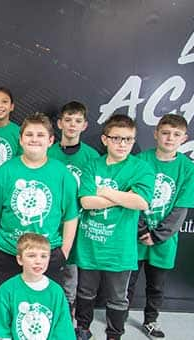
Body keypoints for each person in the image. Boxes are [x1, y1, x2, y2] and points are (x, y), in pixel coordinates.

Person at [0, 113, 79, 331]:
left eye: (40, 135)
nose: (34, 139)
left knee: (42, 309)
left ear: (51, 141)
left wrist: (65, 250)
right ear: (20, 139)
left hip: (46, 255)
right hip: (6, 252)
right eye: (29, 134)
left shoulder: (61, 174)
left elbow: (71, 215)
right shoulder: (6, 171)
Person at [72, 114, 154, 340]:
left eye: (128, 139)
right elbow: (86, 201)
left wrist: (105, 192)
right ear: (105, 139)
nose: (122, 144)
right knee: (85, 291)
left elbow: (141, 201)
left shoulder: (141, 168)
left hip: (120, 247)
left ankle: (114, 334)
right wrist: (123, 196)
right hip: (90, 243)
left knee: (118, 297)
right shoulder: (92, 165)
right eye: (116, 138)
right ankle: (83, 329)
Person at [126, 114, 194, 339]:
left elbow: (181, 208)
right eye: (165, 133)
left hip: (164, 240)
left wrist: (157, 235)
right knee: (128, 281)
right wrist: (141, 230)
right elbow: (131, 198)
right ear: (156, 133)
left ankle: (150, 320)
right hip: (134, 236)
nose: (169, 138)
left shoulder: (188, 169)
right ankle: (120, 316)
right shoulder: (140, 160)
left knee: (156, 286)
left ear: (184, 138)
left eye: (176, 135)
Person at [46, 101, 99, 309]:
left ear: (85, 125)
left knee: (71, 269)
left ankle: (68, 309)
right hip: (51, 221)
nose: (72, 125)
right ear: (59, 124)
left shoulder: (92, 156)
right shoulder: (48, 152)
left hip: (78, 222)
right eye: (68, 120)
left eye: (77, 121)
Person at [0, 233, 75, 340]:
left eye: (43, 256)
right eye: (31, 256)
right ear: (20, 259)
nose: (38, 261)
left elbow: (62, 329)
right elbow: (2, 329)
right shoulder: (7, 289)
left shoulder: (56, 291)